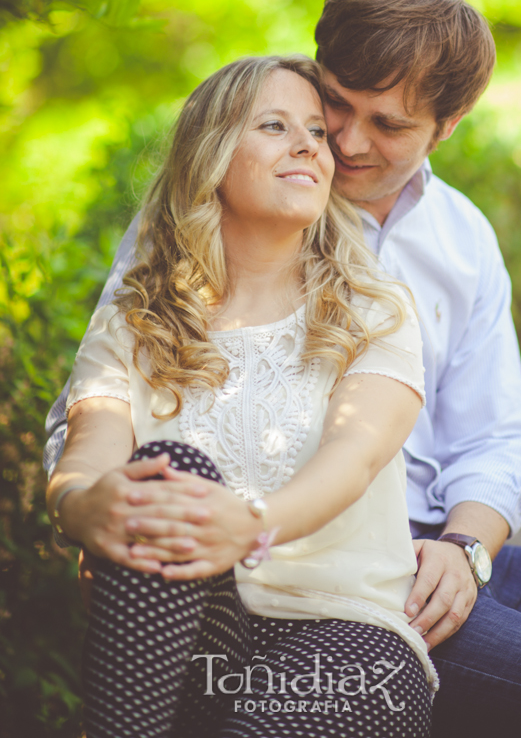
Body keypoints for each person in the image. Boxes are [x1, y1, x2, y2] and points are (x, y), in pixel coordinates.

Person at [45, 0, 521, 736]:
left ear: (449, 124)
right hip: (283, 563)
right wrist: (97, 511)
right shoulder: (201, 226)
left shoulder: (453, 241)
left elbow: (493, 438)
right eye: (333, 102)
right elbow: (99, 411)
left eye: (389, 123)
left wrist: (467, 549)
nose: (342, 141)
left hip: (417, 551)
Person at [46, 54, 437, 738]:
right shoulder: (137, 317)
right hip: (186, 638)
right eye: (274, 125)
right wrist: (85, 507)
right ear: (213, 156)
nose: (310, 146)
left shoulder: (375, 309)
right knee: (170, 473)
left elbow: (355, 456)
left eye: (316, 131)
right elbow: (91, 446)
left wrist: (251, 524)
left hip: (345, 639)